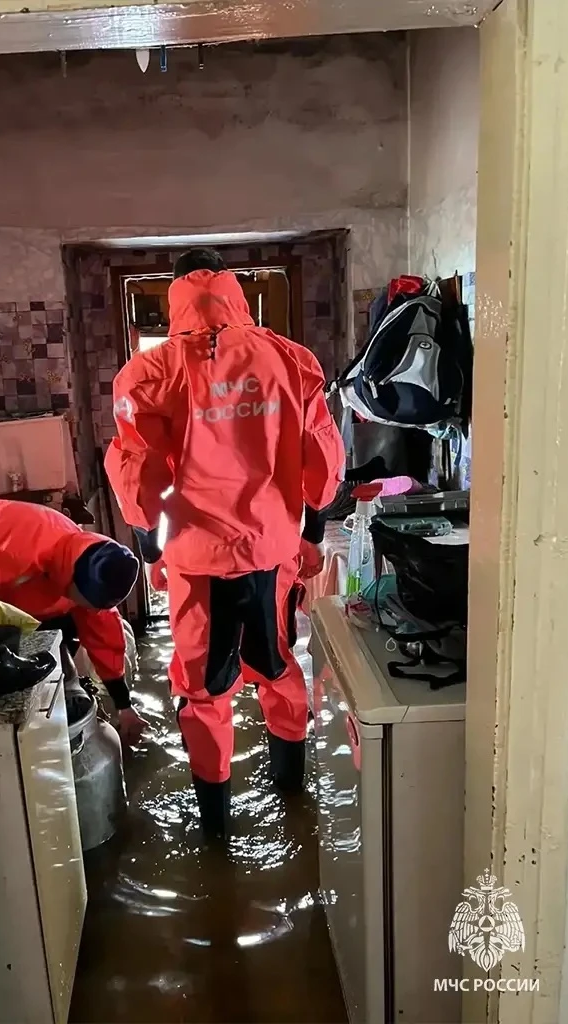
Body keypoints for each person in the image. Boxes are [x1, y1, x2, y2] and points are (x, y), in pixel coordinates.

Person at [105, 247, 344, 836]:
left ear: (175, 295)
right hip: (271, 551)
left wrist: (152, 551)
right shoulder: (290, 359)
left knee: (203, 692)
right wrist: (311, 535)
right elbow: (322, 459)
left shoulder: (148, 373)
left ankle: (215, 829)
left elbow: (138, 477)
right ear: (233, 289)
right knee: (278, 665)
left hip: (196, 563)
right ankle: (292, 799)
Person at [0, 498, 147, 745]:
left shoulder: (94, 572)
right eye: (87, 603)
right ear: (74, 581)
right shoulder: (14, 545)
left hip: (6, 583)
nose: (91, 609)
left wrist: (124, 706)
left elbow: (104, 639)